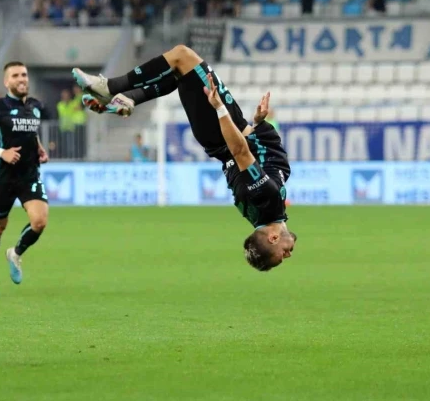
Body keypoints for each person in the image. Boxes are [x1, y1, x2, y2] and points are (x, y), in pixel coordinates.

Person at [72, 45, 296, 271]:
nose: (288, 254)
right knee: (180, 74)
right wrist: (258, 124)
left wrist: (219, 109)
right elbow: (266, 158)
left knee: (182, 56)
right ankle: (128, 99)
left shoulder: (267, 199)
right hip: (226, 134)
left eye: (282, 254)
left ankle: (110, 87)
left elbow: (241, 152)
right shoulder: (264, 214)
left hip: (224, 131)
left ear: (273, 239)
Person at [0, 62, 50, 297]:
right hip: (4, 178)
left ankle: (15, 253)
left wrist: (39, 148)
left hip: (29, 175)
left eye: (24, 74)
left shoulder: (36, 106)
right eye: (15, 75)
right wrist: (1, 153)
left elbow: (30, 132)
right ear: (7, 82)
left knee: (39, 222)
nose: (21, 79)